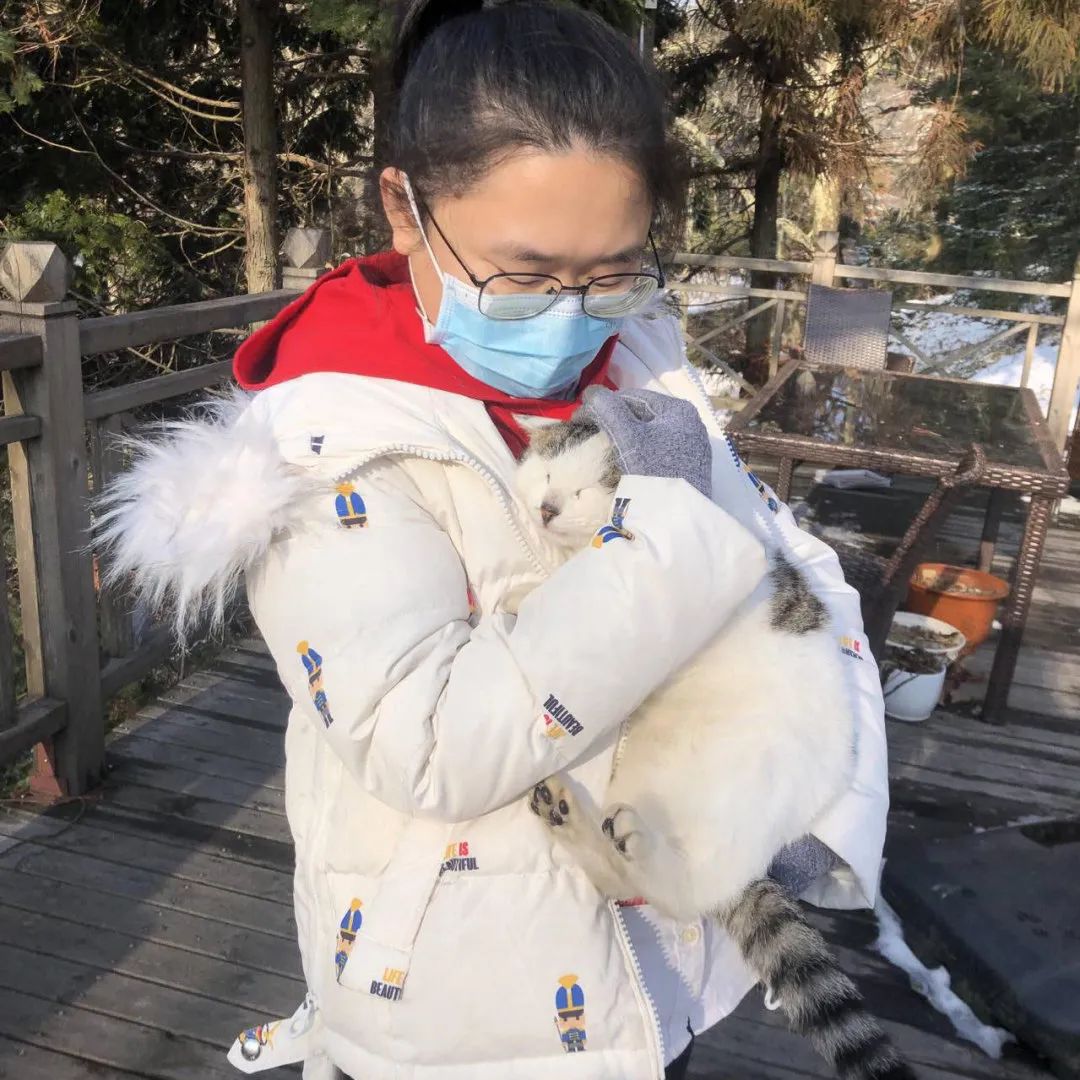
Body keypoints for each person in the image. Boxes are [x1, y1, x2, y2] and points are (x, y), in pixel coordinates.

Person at [97, 2, 889, 1078]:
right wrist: (668, 535)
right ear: (405, 209)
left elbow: (804, 582)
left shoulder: (634, 355)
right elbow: (432, 745)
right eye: (523, 276)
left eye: (613, 270)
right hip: (464, 1005)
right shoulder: (324, 445)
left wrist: (813, 805)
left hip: (665, 977)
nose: (572, 313)